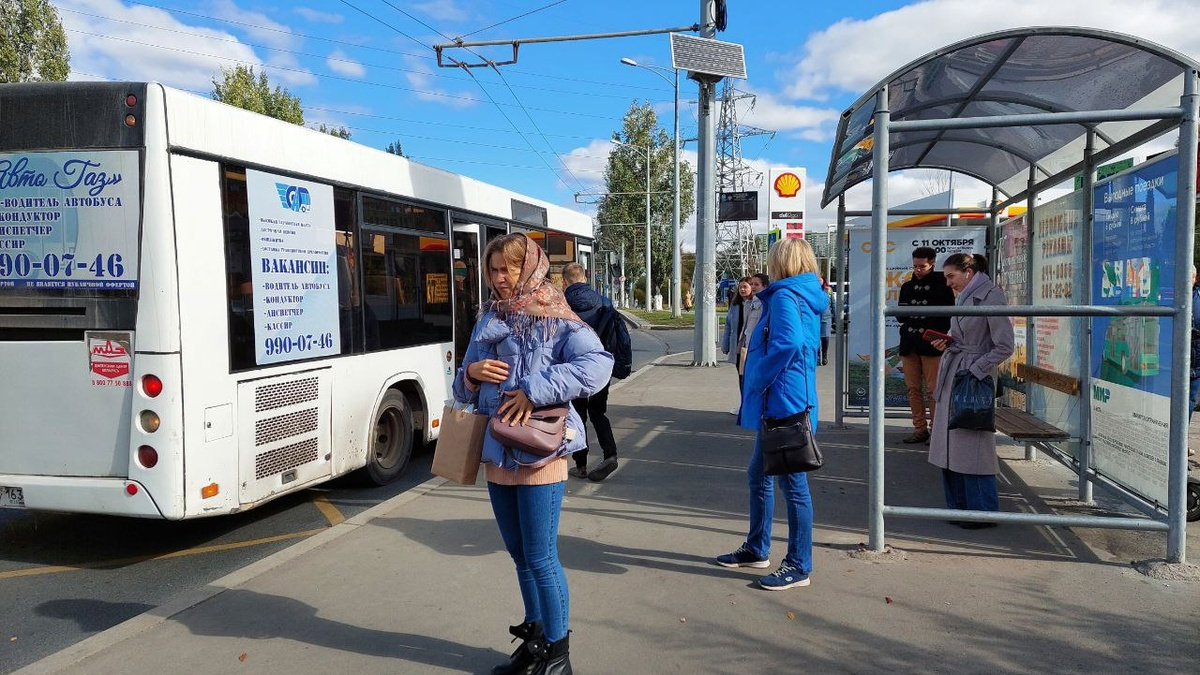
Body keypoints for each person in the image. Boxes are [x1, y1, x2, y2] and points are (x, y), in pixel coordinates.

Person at [452, 234, 613, 675]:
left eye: (507, 269)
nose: (499, 278)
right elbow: (458, 390)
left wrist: (534, 390)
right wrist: (471, 373)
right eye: (493, 270)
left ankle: (559, 658)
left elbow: (599, 365)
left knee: (541, 557)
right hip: (497, 454)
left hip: (543, 452)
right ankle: (536, 641)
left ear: (530, 268)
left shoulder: (557, 316)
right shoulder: (488, 317)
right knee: (520, 556)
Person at [715, 238, 826, 590]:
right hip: (791, 395)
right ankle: (757, 548)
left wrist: (757, 377)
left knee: (793, 484)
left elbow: (788, 343)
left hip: (784, 398)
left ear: (782, 263)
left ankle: (798, 565)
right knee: (758, 474)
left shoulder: (782, 295)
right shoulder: (803, 293)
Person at [926, 253, 1014, 529]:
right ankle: (959, 507)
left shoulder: (990, 296)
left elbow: (1004, 345)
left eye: (951, 276)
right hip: (957, 371)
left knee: (971, 444)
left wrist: (975, 369)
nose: (948, 282)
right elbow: (969, 339)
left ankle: (981, 510)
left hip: (971, 378)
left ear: (969, 271)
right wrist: (949, 345)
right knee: (952, 442)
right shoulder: (967, 295)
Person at [561, 262, 632, 481]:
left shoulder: (562, 304)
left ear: (565, 281)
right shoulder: (604, 302)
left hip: (573, 369)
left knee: (577, 416)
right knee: (598, 413)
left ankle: (580, 466)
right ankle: (610, 454)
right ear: (584, 278)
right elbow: (619, 336)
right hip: (600, 368)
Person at [897, 247, 956, 444]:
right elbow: (899, 316)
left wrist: (932, 330)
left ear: (932, 263)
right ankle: (920, 429)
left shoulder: (943, 285)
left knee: (933, 389)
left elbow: (948, 316)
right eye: (915, 266)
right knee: (913, 389)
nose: (918, 270)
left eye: (922, 266)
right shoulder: (907, 287)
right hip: (909, 344)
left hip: (932, 344)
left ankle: (937, 430)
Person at [721, 276, 753, 414]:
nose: (742, 289)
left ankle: (751, 406)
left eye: (745, 287)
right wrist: (725, 345)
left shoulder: (755, 304)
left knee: (750, 378)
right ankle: (744, 405)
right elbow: (728, 326)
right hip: (739, 348)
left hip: (751, 347)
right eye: (740, 287)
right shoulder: (735, 305)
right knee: (741, 377)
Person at [1189, 265, 1200, 457]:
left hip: (1196, 365)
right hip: (1172, 365)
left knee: (1189, 402)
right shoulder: (1169, 296)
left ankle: (1181, 443)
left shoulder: (1198, 297)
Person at [818, 278, 833, 366]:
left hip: (826, 317)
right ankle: (818, 357)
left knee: (825, 338)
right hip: (817, 317)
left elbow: (833, 303)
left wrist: (834, 315)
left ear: (824, 281)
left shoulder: (828, 290)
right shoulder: (814, 290)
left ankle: (824, 356)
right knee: (816, 339)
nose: (819, 281)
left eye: (821, 280)